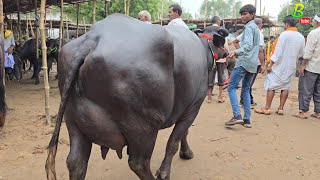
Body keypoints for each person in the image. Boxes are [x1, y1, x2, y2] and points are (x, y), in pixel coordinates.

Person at [254, 15, 305, 115]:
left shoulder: (284, 35)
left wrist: (270, 65)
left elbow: (278, 52)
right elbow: (301, 53)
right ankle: (281, 108)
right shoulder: (301, 36)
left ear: (286, 24)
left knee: (271, 86)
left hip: (279, 65)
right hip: (291, 65)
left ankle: (267, 108)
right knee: (285, 86)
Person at [224, 4, 260, 128]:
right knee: (245, 89)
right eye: (242, 14)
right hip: (253, 63)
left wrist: (236, 52)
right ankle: (247, 119)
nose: (243, 16)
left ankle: (237, 115)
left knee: (231, 87)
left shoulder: (249, 28)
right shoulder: (256, 28)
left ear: (252, 14)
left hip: (244, 61)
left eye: (245, 14)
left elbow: (248, 45)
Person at [293, 14, 320, 119]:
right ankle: (318, 112)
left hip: (311, 66)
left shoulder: (314, 33)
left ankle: (304, 111)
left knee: (305, 89)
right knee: (318, 90)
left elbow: (308, 52)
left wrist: (303, 65)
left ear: (317, 22)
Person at [238, 18, 266, 108]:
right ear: (260, 24)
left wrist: (241, 54)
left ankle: (248, 100)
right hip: (254, 62)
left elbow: (235, 41)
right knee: (248, 83)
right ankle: (244, 101)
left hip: (246, 60)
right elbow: (260, 50)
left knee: (247, 82)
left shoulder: (248, 31)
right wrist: (262, 64)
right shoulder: (258, 33)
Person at [206, 15, 227, 103]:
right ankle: (219, 96)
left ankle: (209, 97)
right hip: (220, 58)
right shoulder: (221, 31)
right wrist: (226, 56)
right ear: (218, 21)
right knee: (221, 76)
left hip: (211, 57)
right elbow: (224, 45)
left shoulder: (206, 30)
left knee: (211, 76)